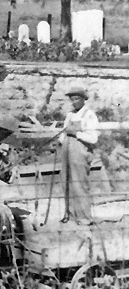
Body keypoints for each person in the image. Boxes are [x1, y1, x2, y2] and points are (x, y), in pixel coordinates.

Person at [59, 86, 99, 225]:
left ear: (83, 99)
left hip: (80, 150)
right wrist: (61, 142)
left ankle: (84, 218)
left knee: (79, 184)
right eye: (72, 99)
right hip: (67, 149)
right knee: (66, 182)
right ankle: (69, 215)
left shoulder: (89, 115)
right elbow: (64, 131)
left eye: (76, 99)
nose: (74, 102)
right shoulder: (70, 115)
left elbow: (93, 138)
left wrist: (76, 134)